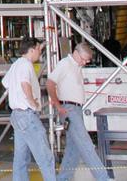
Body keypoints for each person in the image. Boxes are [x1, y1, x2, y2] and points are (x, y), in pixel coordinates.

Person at [46, 42, 110, 181]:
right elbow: (50, 83)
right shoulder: (65, 64)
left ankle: (63, 178)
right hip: (69, 109)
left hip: (75, 109)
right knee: (86, 144)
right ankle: (103, 178)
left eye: (87, 60)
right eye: (84, 59)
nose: (85, 62)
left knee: (73, 149)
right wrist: (58, 106)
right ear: (76, 53)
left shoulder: (76, 66)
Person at [2, 37, 56, 180]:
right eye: (39, 50)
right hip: (27, 116)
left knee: (21, 159)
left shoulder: (16, 65)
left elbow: (5, 83)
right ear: (31, 50)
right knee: (45, 157)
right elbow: (25, 84)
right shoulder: (26, 65)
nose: (40, 53)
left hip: (17, 116)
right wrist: (33, 103)